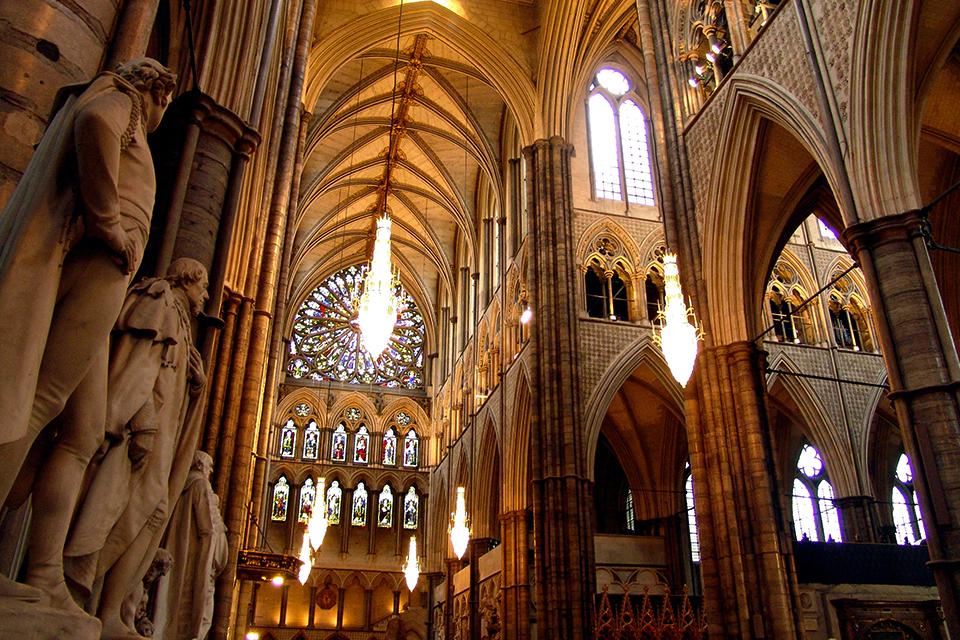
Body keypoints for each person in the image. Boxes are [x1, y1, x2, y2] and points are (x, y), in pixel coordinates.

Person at [0, 58, 175, 609]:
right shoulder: (118, 98)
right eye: (165, 102)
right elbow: (93, 123)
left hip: (107, 277)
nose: (163, 114)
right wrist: (109, 225)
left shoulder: (127, 112)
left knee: (82, 433)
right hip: (99, 264)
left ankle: (44, 573)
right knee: (37, 402)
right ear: (154, 90)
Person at [62, 258, 208, 639]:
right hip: (139, 430)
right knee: (117, 506)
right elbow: (135, 365)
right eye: (204, 285)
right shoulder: (157, 299)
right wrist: (141, 416)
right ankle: (80, 588)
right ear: (186, 279)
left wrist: (196, 385)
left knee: (154, 512)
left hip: (164, 438)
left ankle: (112, 608)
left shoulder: (182, 322)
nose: (207, 295)